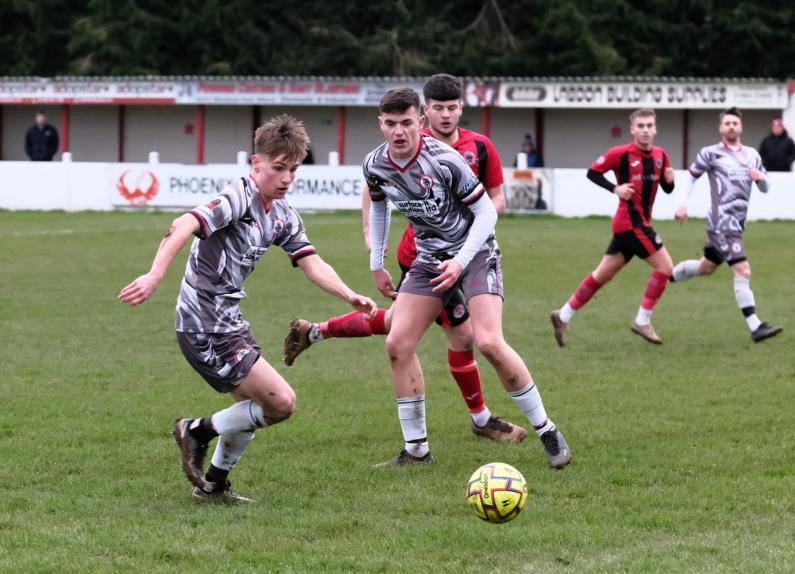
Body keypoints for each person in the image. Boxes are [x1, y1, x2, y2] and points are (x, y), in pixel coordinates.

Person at [118, 115, 377, 504]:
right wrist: (155, 274)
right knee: (281, 403)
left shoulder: (283, 213)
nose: (287, 177)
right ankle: (196, 431)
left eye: (293, 169)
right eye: (278, 168)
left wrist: (348, 295)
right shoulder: (239, 197)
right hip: (203, 323)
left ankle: (213, 487)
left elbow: (311, 262)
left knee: (250, 408)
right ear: (256, 164)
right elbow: (184, 222)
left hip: (229, 320)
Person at [283, 73, 528, 444]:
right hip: (421, 256)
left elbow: (495, 200)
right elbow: (375, 191)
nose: (445, 115)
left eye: (451, 108)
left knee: (399, 325)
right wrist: (372, 243)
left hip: (465, 251)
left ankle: (317, 331)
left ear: (459, 109)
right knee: (459, 336)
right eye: (438, 108)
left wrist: (473, 231)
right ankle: (480, 419)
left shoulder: (478, 148)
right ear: (426, 111)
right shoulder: (402, 147)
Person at [359, 87, 571, 468]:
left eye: (406, 123)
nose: (399, 132)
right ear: (381, 124)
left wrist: (459, 260)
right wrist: (377, 261)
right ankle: (417, 451)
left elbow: (487, 213)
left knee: (488, 342)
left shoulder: (444, 158)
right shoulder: (374, 164)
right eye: (390, 124)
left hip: (474, 253)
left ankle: (547, 431)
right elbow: (378, 208)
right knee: (397, 344)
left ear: (419, 122)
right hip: (428, 260)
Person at [550, 108, 675, 346]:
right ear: (633, 129)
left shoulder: (661, 156)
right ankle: (642, 321)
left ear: (655, 128)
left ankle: (563, 315)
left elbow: (667, 189)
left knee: (601, 276)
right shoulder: (621, 154)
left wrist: (670, 182)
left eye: (650, 125)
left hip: (636, 224)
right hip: (630, 223)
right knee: (665, 268)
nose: (646, 130)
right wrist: (615, 189)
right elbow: (592, 172)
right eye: (641, 126)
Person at [671, 107, 782, 343]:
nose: (731, 126)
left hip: (737, 224)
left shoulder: (752, 155)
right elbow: (691, 176)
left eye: (735, 123)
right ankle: (755, 327)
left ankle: (666, 275)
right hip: (721, 223)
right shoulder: (711, 153)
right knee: (743, 270)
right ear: (721, 128)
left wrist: (760, 179)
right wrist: (682, 204)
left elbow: (766, 187)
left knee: (706, 268)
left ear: (741, 127)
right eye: (727, 123)